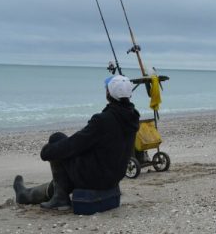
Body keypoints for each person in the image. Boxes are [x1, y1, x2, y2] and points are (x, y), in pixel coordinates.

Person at [12, 75, 140, 209]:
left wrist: (47, 151)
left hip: (95, 178)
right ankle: (26, 195)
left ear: (109, 93)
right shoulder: (132, 118)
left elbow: (74, 144)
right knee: (64, 177)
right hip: (113, 178)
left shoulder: (103, 120)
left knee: (56, 138)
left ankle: (58, 198)